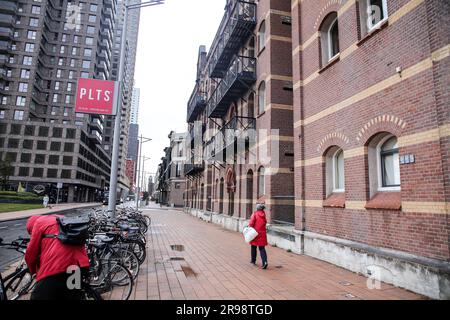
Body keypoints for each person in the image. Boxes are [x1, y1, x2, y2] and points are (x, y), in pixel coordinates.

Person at [25, 215, 90, 300]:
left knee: (39, 296)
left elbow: (31, 254)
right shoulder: (63, 218)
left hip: (56, 267)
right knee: (72, 295)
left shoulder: (39, 223)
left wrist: (33, 271)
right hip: (77, 266)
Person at [248, 203, 268, 269]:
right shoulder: (264, 214)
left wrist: (249, 227)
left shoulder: (255, 214)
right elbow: (265, 222)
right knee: (262, 248)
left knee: (253, 246)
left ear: (257, 208)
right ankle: (265, 262)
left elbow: (251, 223)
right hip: (262, 233)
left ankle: (253, 260)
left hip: (255, 233)